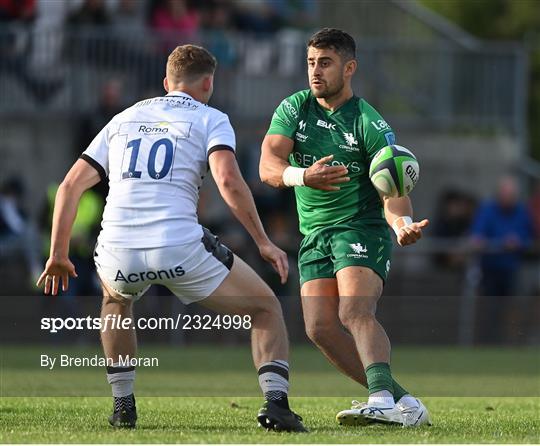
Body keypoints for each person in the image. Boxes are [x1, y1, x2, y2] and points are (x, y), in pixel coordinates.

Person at [37, 44, 306, 433]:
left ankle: (123, 407)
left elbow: (69, 187)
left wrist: (58, 254)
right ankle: (276, 406)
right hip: (178, 243)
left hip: (118, 248)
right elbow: (228, 181)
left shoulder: (123, 118)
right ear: (208, 82)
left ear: (166, 83)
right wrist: (263, 240)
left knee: (115, 302)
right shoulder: (211, 117)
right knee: (265, 309)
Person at [259, 28, 431, 427]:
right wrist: (303, 177)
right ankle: (403, 402)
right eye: (310, 63)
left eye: (325, 63)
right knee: (319, 328)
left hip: (360, 229)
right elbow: (268, 164)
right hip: (315, 234)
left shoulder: (369, 122)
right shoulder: (295, 108)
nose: (315, 72)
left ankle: (381, 399)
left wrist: (401, 223)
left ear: (349, 68)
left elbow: (393, 188)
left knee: (354, 310)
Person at [470, 175, 533, 343]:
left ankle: (511, 343)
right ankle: (486, 342)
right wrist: (485, 242)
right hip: (489, 270)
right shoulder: (488, 210)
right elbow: (477, 237)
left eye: (512, 196)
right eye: (506, 195)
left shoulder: (521, 211)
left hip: (512, 269)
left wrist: (517, 242)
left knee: (512, 309)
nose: (509, 199)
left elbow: (528, 237)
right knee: (489, 309)